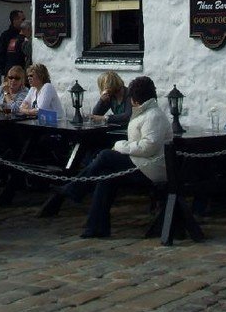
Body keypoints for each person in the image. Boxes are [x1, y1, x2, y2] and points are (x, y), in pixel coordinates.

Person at [40, 75, 170, 238]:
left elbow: (148, 147)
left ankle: (74, 189)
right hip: (143, 164)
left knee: (105, 156)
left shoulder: (153, 116)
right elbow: (97, 113)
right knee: (105, 176)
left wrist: (121, 146)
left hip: (151, 169)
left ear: (135, 98)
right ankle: (96, 227)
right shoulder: (144, 113)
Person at [0, 9, 25, 77]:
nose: (24, 22)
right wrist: (3, 72)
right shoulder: (6, 35)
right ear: (15, 20)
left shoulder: (25, 34)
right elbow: (1, 54)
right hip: (10, 72)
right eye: (22, 19)